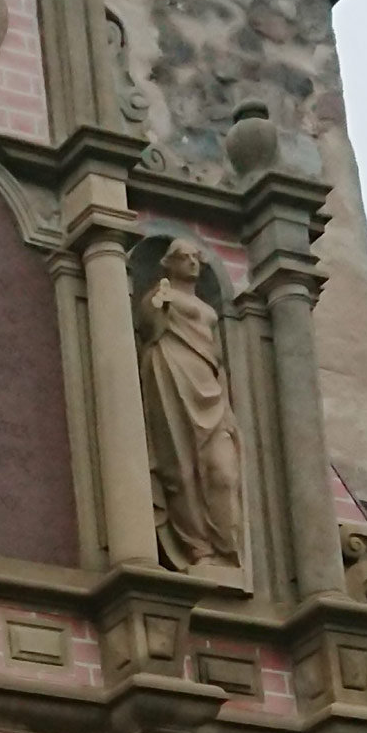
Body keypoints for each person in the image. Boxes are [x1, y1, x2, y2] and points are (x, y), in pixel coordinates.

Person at [139, 238, 243, 575]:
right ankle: (199, 550)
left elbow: (219, 355)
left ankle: (228, 549)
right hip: (171, 370)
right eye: (185, 257)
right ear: (169, 262)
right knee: (180, 469)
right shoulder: (162, 294)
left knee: (223, 473)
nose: (193, 263)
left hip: (210, 385)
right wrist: (159, 303)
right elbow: (149, 326)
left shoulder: (205, 305)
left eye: (197, 257)